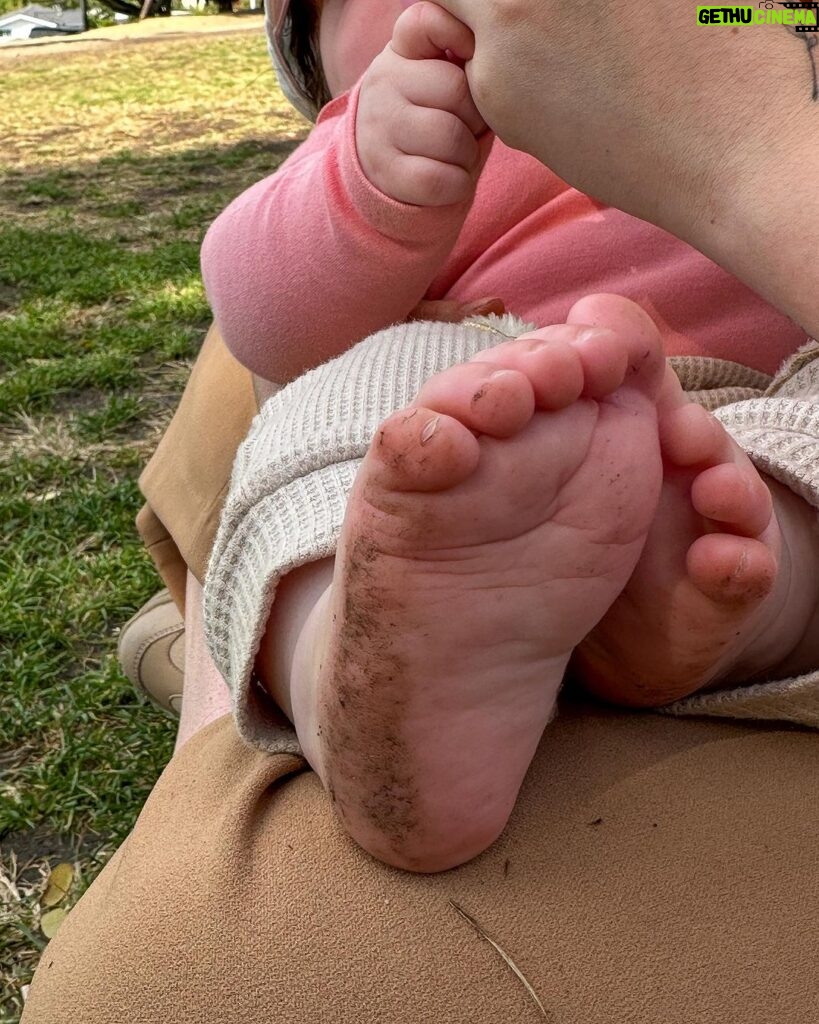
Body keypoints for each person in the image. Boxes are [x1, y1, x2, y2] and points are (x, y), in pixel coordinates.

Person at [20, 2, 819, 1019]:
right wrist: (367, 173)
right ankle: (366, 682)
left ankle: (744, 597)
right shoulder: (367, 137)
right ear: (317, 72)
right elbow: (255, 304)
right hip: (483, 396)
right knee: (336, 420)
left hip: (751, 413)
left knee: (786, 454)